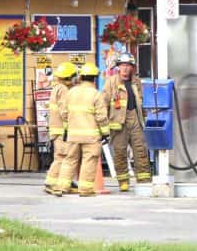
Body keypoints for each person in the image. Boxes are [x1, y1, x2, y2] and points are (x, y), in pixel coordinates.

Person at [53, 63, 109, 197]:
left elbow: (64, 113)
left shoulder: (71, 92)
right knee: (89, 160)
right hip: (91, 136)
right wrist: (106, 133)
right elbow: (101, 117)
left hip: (72, 135)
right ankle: (85, 190)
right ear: (94, 78)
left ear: (81, 77)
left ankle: (60, 187)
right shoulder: (96, 94)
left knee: (69, 160)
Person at [103, 53, 151, 192]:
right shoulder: (111, 82)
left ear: (132, 68)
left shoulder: (137, 82)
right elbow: (104, 103)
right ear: (118, 67)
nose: (124, 69)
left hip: (135, 119)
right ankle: (123, 182)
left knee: (141, 151)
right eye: (122, 66)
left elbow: (141, 102)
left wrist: (144, 119)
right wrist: (104, 124)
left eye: (127, 66)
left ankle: (144, 180)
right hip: (118, 122)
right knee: (119, 152)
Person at [43, 61, 77, 194]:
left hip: (57, 130)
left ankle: (64, 181)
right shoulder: (63, 89)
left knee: (63, 157)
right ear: (69, 77)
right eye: (74, 76)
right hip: (62, 131)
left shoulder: (57, 87)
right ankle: (51, 182)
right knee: (62, 157)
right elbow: (64, 111)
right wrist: (72, 124)